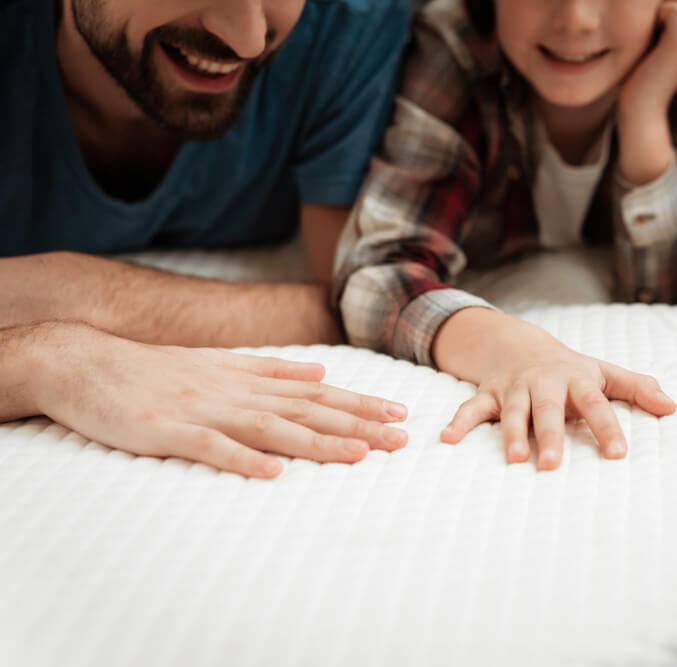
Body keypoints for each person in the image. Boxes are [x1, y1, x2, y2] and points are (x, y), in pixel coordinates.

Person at [0, 0, 412, 478]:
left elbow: (353, 302)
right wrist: (46, 361)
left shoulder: (349, 23)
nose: (249, 40)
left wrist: (82, 294)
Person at [336, 0, 677, 470]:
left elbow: (668, 297)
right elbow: (375, 274)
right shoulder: (457, 47)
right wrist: (515, 350)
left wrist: (645, 113)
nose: (576, 20)